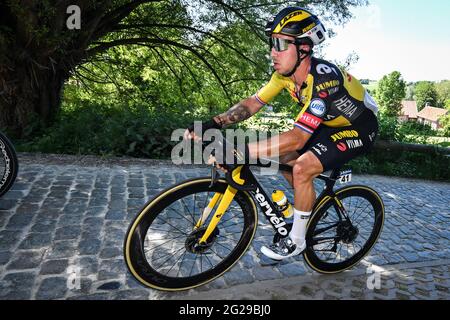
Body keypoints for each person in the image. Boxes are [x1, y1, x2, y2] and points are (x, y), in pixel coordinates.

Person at [184, 6, 379, 260]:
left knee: (302, 167)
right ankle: (306, 207)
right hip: (330, 125)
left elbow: (298, 137)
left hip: (359, 129)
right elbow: (253, 103)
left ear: (304, 49)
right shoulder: (283, 76)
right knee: (287, 158)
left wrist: (240, 151)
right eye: (272, 43)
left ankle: (297, 240)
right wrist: (216, 122)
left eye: (280, 44)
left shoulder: (323, 80)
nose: (272, 52)